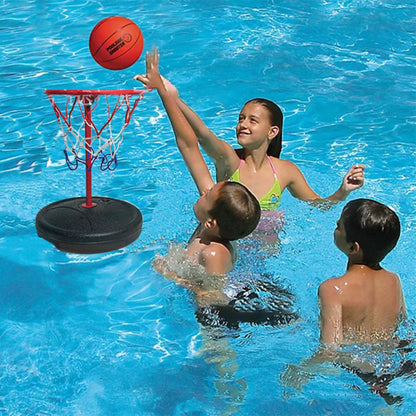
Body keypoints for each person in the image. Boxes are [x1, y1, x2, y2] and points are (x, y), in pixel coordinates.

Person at [134, 49, 261, 277]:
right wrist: (163, 92)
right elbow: (189, 145)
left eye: (208, 195)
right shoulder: (213, 222)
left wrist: (170, 274)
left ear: (211, 222)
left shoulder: (215, 254)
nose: (203, 191)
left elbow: (212, 297)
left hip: (230, 307)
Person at [162, 80, 365, 217]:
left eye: (253, 120)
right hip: (230, 251)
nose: (243, 124)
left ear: (272, 132)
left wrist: (343, 191)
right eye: (241, 118)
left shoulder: (285, 171)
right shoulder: (230, 160)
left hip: (264, 261)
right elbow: (203, 136)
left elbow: (318, 205)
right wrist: (175, 99)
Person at [319, 198, 407, 346]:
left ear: (353, 248)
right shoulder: (394, 280)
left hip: (355, 365)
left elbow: (330, 350)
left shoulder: (332, 289)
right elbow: (403, 325)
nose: (336, 223)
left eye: (339, 226)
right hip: (390, 362)